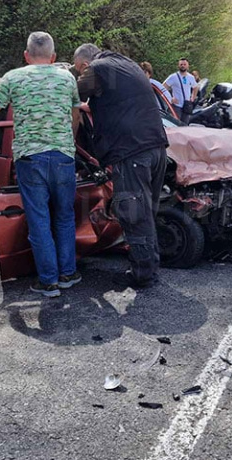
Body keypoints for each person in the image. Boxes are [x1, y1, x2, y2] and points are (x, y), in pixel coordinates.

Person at [0, 32, 82, 298]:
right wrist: (67, 141)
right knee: (65, 217)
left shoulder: (13, 77)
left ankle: (48, 282)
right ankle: (68, 274)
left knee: (39, 220)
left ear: (26, 56)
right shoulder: (67, 78)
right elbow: (75, 115)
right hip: (63, 157)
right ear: (53, 57)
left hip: (30, 159)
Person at [74, 43, 169, 288]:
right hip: (156, 148)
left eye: (79, 69)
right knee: (146, 213)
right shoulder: (126, 64)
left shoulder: (97, 69)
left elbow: (72, 92)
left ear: (85, 64)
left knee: (134, 214)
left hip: (131, 153)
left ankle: (143, 275)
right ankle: (150, 266)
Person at [164, 58, 198, 123]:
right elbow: (163, 87)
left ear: (188, 66)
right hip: (176, 106)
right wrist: (170, 98)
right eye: (181, 64)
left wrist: (193, 97)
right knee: (175, 124)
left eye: (184, 64)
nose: (183, 66)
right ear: (178, 65)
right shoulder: (173, 77)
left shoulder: (191, 77)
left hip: (186, 106)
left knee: (185, 126)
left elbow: (195, 87)